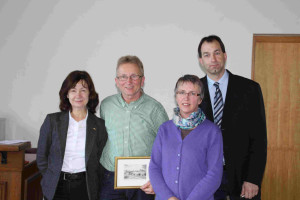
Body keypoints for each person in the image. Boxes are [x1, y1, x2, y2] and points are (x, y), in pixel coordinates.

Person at [198, 35, 267, 200]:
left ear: (225, 55)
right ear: (201, 61)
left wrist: (253, 178)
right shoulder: (193, 91)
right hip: (205, 177)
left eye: (217, 53)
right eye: (206, 55)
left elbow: (259, 139)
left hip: (243, 177)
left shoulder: (249, 89)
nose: (213, 59)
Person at [99, 55, 169, 200]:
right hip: (110, 179)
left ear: (142, 80)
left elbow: (167, 147)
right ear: (116, 81)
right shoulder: (106, 105)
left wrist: (158, 180)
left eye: (134, 76)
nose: (129, 82)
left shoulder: (155, 109)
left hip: (144, 181)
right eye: (123, 77)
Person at [149, 74, 223, 200]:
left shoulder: (212, 132)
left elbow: (214, 175)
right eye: (181, 92)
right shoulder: (164, 129)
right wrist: (169, 197)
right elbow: (155, 167)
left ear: (200, 99)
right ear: (176, 96)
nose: (186, 97)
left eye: (192, 93)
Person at [37, 70, 108, 200]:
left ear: (90, 94)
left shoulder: (99, 125)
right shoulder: (52, 121)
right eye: (73, 90)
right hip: (56, 186)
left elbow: (101, 161)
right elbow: (42, 156)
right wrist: (49, 177)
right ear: (67, 94)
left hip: (85, 187)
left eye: (83, 90)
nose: (78, 95)